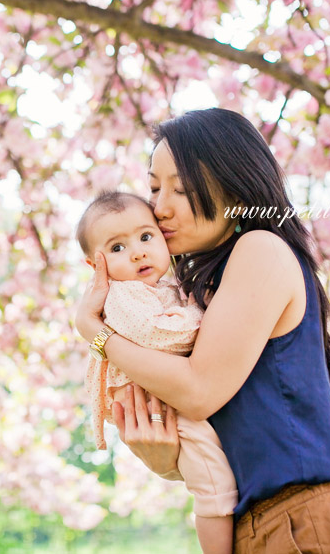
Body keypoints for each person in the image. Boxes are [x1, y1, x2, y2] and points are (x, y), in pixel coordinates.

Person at [75, 108, 330, 553]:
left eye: (182, 190)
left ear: (234, 189)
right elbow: (223, 435)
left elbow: (198, 391)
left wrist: (95, 332)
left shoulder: (260, 249)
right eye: (154, 187)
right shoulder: (198, 291)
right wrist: (162, 458)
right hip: (263, 525)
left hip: (311, 521)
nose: (160, 207)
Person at [77, 190, 238, 554]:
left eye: (146, 237)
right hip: (154, 398)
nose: (137, 252)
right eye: (117, 248)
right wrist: (206, 314)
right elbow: (161, 335)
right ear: (95, 265)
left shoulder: (168, 283)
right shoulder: (123, 295)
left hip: (168, 390)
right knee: (212, 478)